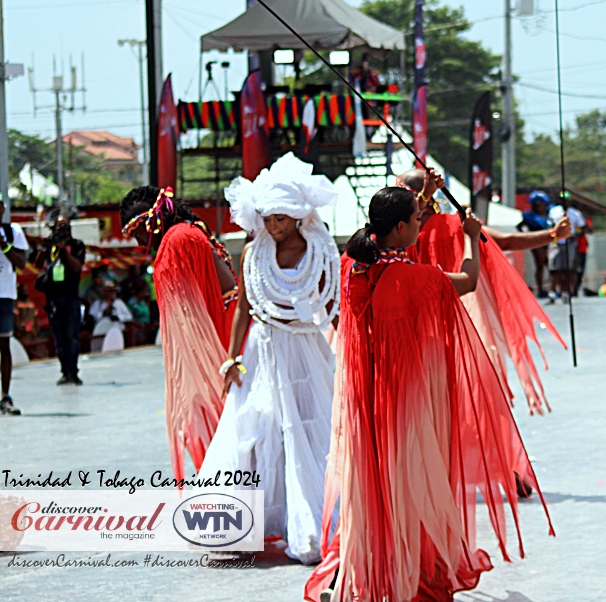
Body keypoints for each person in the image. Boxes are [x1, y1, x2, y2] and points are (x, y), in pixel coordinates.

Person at [304, 187, 551, 602]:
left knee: (373, 490)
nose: (422, 224)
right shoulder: (418, 279)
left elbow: (391, 251)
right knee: (413, 487)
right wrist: (472, 235)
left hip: (367, 401)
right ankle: (406, 569)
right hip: (407, 402)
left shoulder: (355, 268)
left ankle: (360, 569)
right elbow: (469, 281)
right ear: (400, 228)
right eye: (417, 218)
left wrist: (424, 196)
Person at [198, 154, 341, 564]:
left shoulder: (320, 250)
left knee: (311, 427)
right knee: (256, 430)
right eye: (268, 218)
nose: (273, 226)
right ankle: (244, 525)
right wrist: (231, 358)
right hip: (262, 349)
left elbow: (332, 304)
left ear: (296, 216)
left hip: (306, 347)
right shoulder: (252, 252)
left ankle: (316, 518)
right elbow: (243, 307)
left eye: (280, 218)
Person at [398, 168, 569, 415]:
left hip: (408, 331)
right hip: (450, 325)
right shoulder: (455, 226)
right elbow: (507, 241)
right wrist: (554, 235)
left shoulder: (395, 233)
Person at [120, 186, 238, 482]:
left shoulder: (176, 241)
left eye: (137, 229)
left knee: (204, 420)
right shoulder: (187, 232)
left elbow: (189, 316)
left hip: (210, 343)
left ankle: (222, 488)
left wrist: (194, 367)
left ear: (153, 220)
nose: (136, 239)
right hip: (220, 334)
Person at [32, 215, 85, 386]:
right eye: (59, 226)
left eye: (65, 226)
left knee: (72, 335)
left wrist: (64, 250)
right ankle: (64, 371)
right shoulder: (50, 247)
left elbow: (77, 267)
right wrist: (43, 247)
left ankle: (73, 371)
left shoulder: (76, 245)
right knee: (59, 337)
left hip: (70, 297)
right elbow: (36, 264)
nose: (62, 230)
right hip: (53, 297)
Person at [0, 203, 27, 415]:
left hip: (4, 295)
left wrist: (4, 245)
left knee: (4, 345)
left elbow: (21, 263)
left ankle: (5, 396)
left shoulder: (13, 231)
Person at [548, 194, 586, 300]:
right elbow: (549, 225)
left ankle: (565, 291)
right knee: (554, 268)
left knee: (567, 268)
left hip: (569, 242)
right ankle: (553, 291)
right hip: (556, 242)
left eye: (566, 200)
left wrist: (575, 234)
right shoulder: (553, 211)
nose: (565, 202)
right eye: (562, 200)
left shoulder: (575, 213)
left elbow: (583, 227)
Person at [518, 191, 553, 297]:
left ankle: (553, 288)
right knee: (540, 265)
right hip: (538, 243)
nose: (539, 207)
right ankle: (541, 288)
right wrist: (527, 237)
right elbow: (520, 226)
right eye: (536, 204)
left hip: (550, 241)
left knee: (551, 266)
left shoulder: (549, 214)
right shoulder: (530, 216)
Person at [574, 216, 593, 296]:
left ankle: (576, 289)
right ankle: (573, 289)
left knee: (580, 271)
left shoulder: (584, 220)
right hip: (575, 249)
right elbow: (577, 232)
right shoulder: (575, 222)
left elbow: (590, 230)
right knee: (575, 270)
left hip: (582, 249)